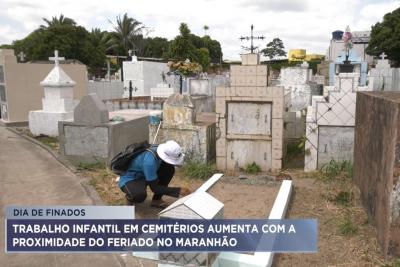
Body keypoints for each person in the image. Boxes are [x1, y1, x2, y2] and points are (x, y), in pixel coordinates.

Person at [118, 140, 190, 208]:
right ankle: (130, 198)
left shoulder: (159, 150)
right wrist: (178, 191)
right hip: (131, 178)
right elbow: (155, 188)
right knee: (139, 195)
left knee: (169, 169)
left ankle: (156, 200)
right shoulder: (149, 162)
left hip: (144, 174)